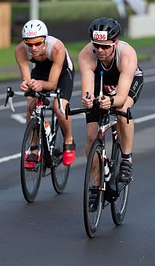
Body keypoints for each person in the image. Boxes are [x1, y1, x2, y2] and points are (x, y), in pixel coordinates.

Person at [78, 17, 144, 184]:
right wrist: (88, 100)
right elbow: (87, 90)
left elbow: (121, 97)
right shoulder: (86, 54)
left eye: (105, 46)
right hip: (100, 81)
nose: (100, 50)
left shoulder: (127, 54)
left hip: (127, 81)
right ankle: (95, 183)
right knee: (92, 136)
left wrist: (111, 101)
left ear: (115, 43)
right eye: (96, 45)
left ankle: (127, 159)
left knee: (122, 111)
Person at [15, 19, 75, 167]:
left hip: (61, 73)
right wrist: (27, 85)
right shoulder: (20, 51)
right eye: (29, 44)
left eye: (38, 43)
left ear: (45, 40)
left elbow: (52, 84)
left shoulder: (57, 48)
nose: (33, 48)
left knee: (59, 108)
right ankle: (34, 148)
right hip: (40, 70)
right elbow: (27, 79)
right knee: (31, 105)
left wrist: (40, 84)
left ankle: (68, 140)